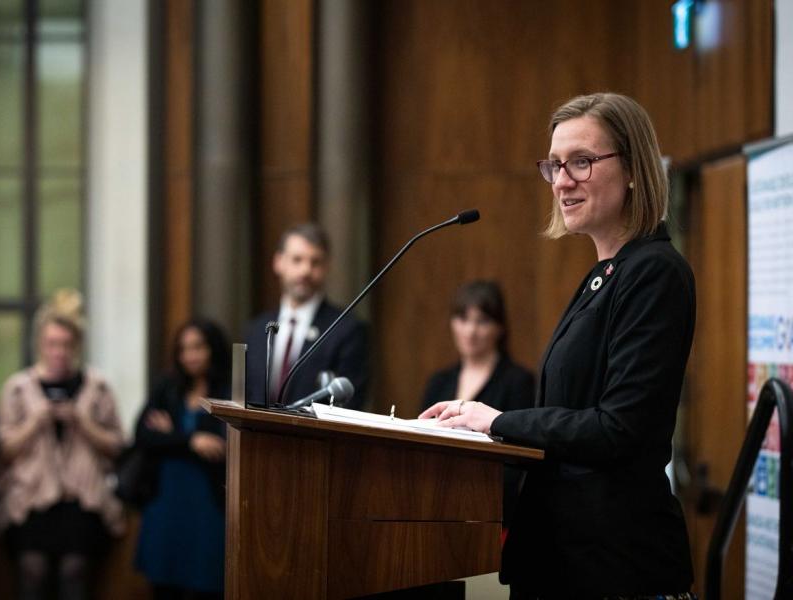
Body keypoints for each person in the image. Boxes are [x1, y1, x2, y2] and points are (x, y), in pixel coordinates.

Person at [421, 93, 696, 598]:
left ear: (633, 168)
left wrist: (498, 421)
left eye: (582, 162)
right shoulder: (604, 275)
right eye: (554, 165)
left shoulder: (654, 272)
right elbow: (568, 417)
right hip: (566, 560)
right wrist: (475, 426)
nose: (562, 181)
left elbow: (619, 428)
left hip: (616, 566)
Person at [0, 289, 125, 600]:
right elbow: (4, 450)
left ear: (77, 346)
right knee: (32, 572)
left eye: (66, 344)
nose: (59, 352)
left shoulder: (98, 387)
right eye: (52, 344)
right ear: (40, 344)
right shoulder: (17, 388)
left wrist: (83, 423)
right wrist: (34, 423)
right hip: (29, 500)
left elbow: (117, 445)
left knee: (74, 573)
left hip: (83, 501)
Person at [421, 280, 535, 529]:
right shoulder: (439, 382)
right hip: (435, 500)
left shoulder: (518, 381)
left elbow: (518, 456)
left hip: (493, 507)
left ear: (500, 327)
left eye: (482, 321)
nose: (470, 331)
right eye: (463, 319)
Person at [133, 317, 231, 600]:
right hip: (165, 501)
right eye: (183, 349)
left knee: (207, 582)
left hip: (210, 504)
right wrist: (189, 440)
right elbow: (143, 435)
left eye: (198, 347)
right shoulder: (168, 387)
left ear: (213, 349)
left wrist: (171, 435)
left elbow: (220, 447)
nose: (190, 355)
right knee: (164, 585)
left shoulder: (228, 391)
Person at [245, 223, 369, 409]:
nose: (305, 271)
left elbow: (350, 405)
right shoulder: (257, 329)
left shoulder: (346, 330)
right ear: (278, 262)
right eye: (297, 260)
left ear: (327, 267)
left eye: (315, 262)